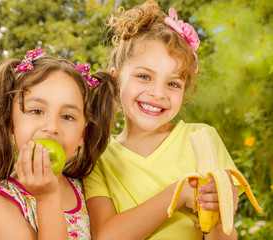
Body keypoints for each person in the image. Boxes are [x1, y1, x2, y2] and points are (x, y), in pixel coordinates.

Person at [83, 1, 239, 239]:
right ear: (115, 81)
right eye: (144, 76)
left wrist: (220, 214)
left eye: (173, 83)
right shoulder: (98, 156)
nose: (158, 93)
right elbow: (106, 235)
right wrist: (179, 193)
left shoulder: (202, 138)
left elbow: (223, 233)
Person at [0, 49, 117, 240]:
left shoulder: (89, 188)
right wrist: (48, 198)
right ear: (10, 121)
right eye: (36, 111)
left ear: (82, 134)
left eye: (67, 116)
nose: (52, 127)